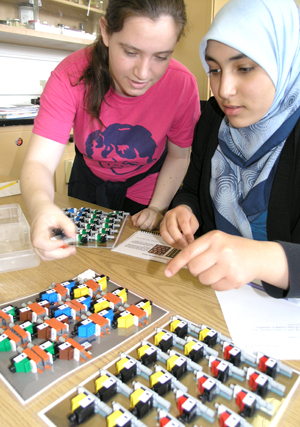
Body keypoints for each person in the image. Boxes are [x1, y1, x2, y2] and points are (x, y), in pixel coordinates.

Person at [20, 0, 200, 261]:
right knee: (80, 261)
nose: (143, 73)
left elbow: (179, 156)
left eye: (161, 57)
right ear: (106, 32)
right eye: (130, 52)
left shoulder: (182, 85)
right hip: (88, 182)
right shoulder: (70, 75)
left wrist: (157, 207)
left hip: (148, 189)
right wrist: (40, 208)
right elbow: (39, 161)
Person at [160, 0, 300, 299]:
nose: (223, 90)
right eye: (214, 69)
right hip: (212, 300)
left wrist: (262, 259)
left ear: (284, 60)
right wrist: (183, 209)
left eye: (245, 68)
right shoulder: (213, 118)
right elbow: (192, 188)